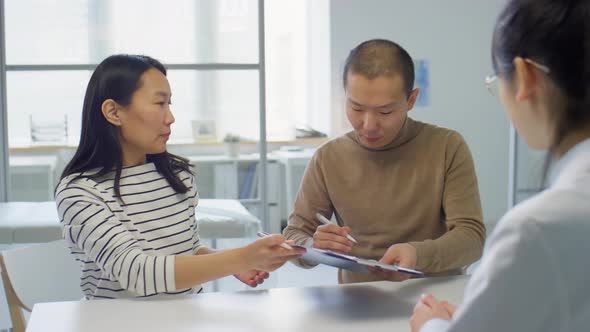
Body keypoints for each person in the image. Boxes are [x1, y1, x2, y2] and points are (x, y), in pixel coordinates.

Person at [55, 54, 304, 300]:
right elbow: (136, 273)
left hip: (186, 318)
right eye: (159, 103)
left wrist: (234, 264)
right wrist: (241, 257)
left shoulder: (177, 176)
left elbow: (188, 250)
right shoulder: (80, 191)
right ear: (113, 112)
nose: (170, 118)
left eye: (169, 104)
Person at [410, 0, 590, 331]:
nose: (370, 124)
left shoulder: (537, 228)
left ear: (525, 77)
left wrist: (432, 325)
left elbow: (469, 235)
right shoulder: (330, 156)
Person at [283, 39, 486, 284]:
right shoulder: (328, 158)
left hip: (433, 298)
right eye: (356, 108)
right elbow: (294, 235)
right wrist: (313, 245)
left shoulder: (447, 147)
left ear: (411, 101)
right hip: (357, 301)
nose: (368, 125)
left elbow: (472, 239)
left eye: (385, 112)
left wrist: (417, 254)